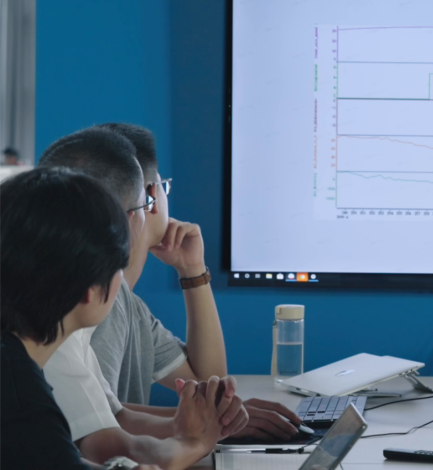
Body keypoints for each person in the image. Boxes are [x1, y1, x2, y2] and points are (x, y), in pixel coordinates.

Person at [37, 129, 249, 468]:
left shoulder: (80, 313)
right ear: (141, 208)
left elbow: (111, 420)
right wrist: (196, 439)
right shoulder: (74, 316)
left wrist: (201, 426)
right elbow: (108, 449)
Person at [92, 123, 305, 441]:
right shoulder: (102, 303)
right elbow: (96, 421)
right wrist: (212, 422)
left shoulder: (129, 305)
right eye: (164, 187)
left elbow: (209, 385)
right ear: (151, 197)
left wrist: (193, 271)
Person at [2, 167, 166, 470]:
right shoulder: (22, 400)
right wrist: (197, 441)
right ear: (89, 290)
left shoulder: (16, 361)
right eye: (118, 268)